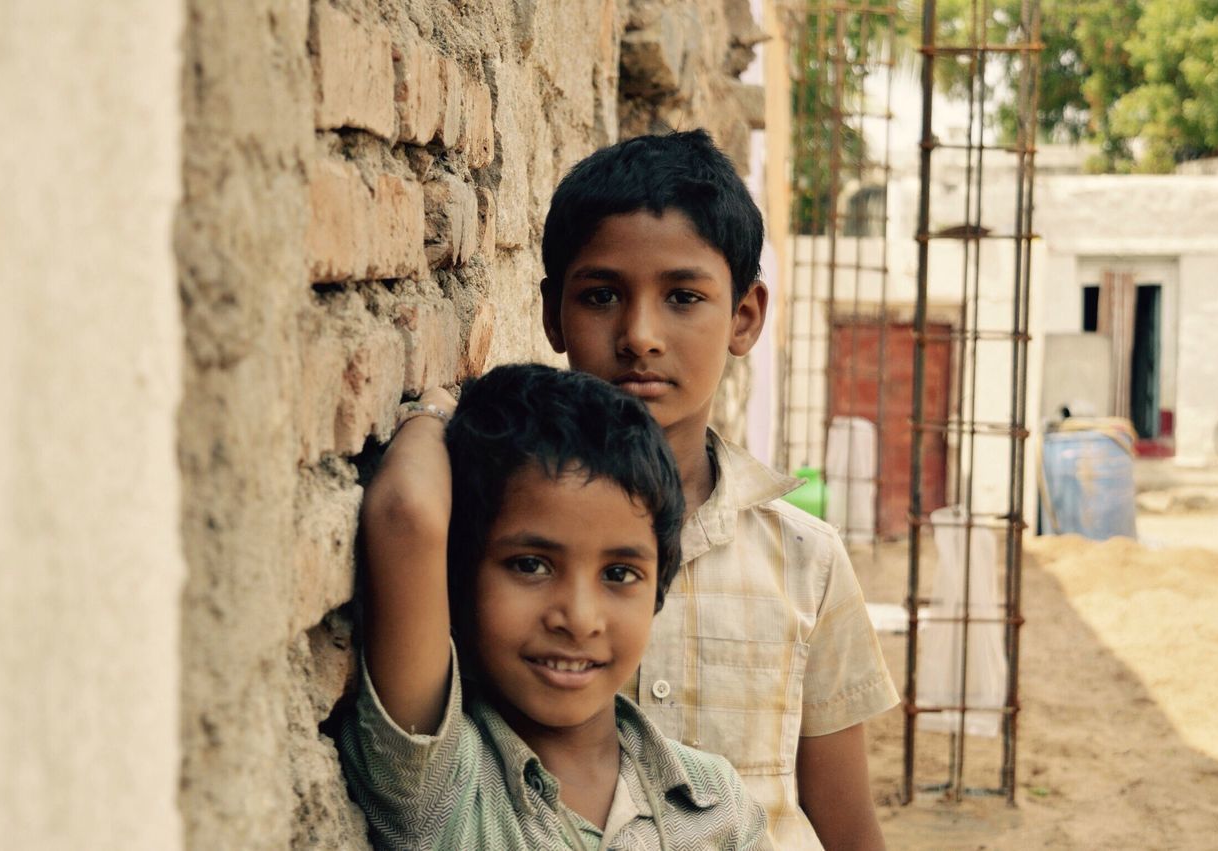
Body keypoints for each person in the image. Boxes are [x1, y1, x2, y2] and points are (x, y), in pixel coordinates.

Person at [540, 130, 899, 850]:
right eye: (603, 294)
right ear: (554, 314)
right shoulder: (500, 542)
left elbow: (845, 825)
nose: (640, 334)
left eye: (683, 296)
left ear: (744, 316)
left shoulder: (809, 562)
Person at [337, 363, 770, 850]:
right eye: (530, 565)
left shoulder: (713, 803)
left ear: (659, 588)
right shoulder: (442, 787)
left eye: (619, 574)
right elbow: (407, 513)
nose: (579, 619)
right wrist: (435, 413)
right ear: (458, 578)